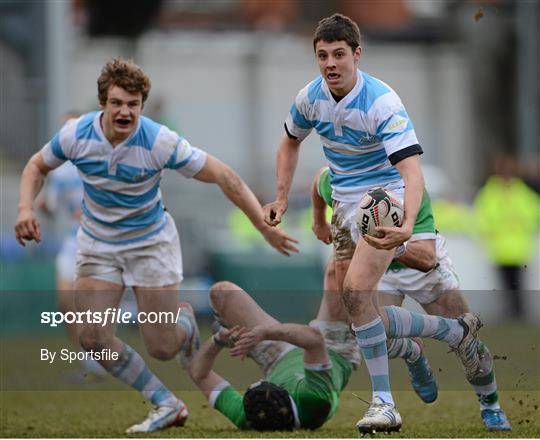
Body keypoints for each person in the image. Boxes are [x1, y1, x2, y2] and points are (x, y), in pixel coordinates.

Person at [14, 57, 299, 433]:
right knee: (92, 337)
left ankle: (184, 325)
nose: (125, 111)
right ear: (103, 104)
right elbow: (36, 165)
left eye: (133, 104)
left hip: (150, 245)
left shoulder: (159, 141)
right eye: (117, 103)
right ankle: (165, 402)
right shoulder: (76, 135)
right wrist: (24, 208)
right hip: (98, 245)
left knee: (163, 347)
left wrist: (263, 227)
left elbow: (224, 176)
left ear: (141, 106)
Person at [263, 13, 483, 433]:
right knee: (360, 314)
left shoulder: (381, 102)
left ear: (357, 55)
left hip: (386, 199)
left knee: (357, 291)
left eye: (339, 54)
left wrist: (404, 226)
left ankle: (389, 402)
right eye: (322, 55)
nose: (330, 63)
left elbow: (411, 172)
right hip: (347, 208)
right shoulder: (310, 98)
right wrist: (281, 198)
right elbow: (291, 143)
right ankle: (434, 341)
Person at [313, 166, 512, 431]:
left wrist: (392, 244)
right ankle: (413, 352)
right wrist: (318, 220)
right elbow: (319, 182)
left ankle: (491, 404)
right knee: (369, 332)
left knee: (470, 343)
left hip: (422, 270)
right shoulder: (342, 181)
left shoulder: (410, 193)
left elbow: (427, 259)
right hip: (381, 272)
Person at [474, 154, 539, 318]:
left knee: (517, 283)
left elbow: (533, 212)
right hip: (499, 248)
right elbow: (483, 218)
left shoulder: (520, 191)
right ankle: (511, 312)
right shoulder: (491, 192)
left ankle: (518, 312)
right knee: (506, 284)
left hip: (518, 248)